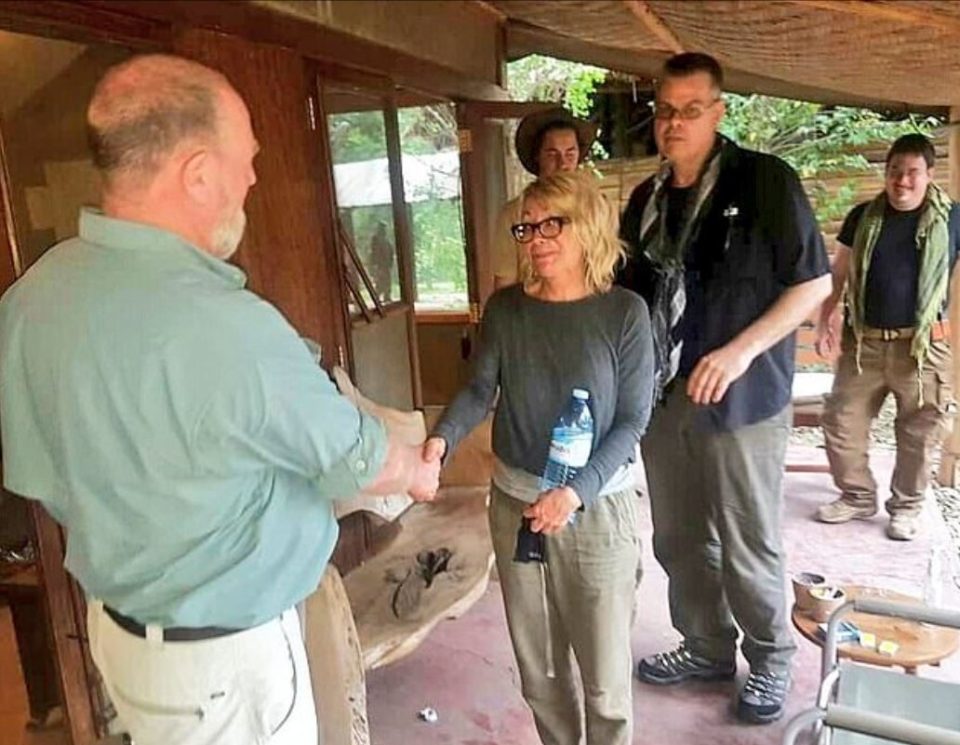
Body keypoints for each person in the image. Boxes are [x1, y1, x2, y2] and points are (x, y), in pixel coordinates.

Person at [0, 54, 440, 745]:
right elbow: (363, 462)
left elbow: (42, 479)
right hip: (226, 667)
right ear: (198, 172)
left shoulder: (33, 298)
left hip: (124, 638)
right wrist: (415, 467)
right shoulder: (229, 327)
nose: (254, 178)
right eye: (247, 159)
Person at [618, 52, 831, 724]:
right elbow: (625, 299)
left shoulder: (765, 181)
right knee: (679, 536)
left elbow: (813, 285)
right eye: (664, 111)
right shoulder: (646, 200)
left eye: (689, 110)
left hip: (741, 398)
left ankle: (771, 660)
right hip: (662, 397)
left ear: (718, 111)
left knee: (748, 539)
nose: (673, 123)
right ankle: (707, 644)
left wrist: (740, 352)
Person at [425, 171, 654, 745]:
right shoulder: (507, 311)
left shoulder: (624, 313)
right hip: (516, 505)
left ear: (591, 227)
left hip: (596, 509)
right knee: (541, 673)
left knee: (604, 681)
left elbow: (632, 421)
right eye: (528, 227)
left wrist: (575, 491)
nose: (537, 238)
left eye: (555, 222)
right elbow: (481, 389)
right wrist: (441, 439)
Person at [815, 134, 960, 541]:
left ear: (930, 175)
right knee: (841, 422)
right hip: (864, 345)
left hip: (924, 347)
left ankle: (907, 507)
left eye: (912, 172)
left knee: (921, 431)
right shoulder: (862, 216)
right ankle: (858, 496)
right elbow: (839, 272)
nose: (902, 181)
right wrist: (825, 319)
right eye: (895, 171)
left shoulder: (953, 219)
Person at [492, 107, 598, 289]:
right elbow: (504, 288)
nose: (563, 164)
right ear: (537, 157)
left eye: (570, 154)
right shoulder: (513, 215)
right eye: (552, 154)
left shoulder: (596, 209)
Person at [368, 219, 394, 303]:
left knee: (387, 281)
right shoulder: (376, 238)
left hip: (386, 264)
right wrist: (374, 264)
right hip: (380, 264)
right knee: (380, 281)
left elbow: (390, 251)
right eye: (383, 228)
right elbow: (374, 251)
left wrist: (390, 261)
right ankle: (377, 297)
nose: (384, 230)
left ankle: (387, 296)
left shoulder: (386, 240)